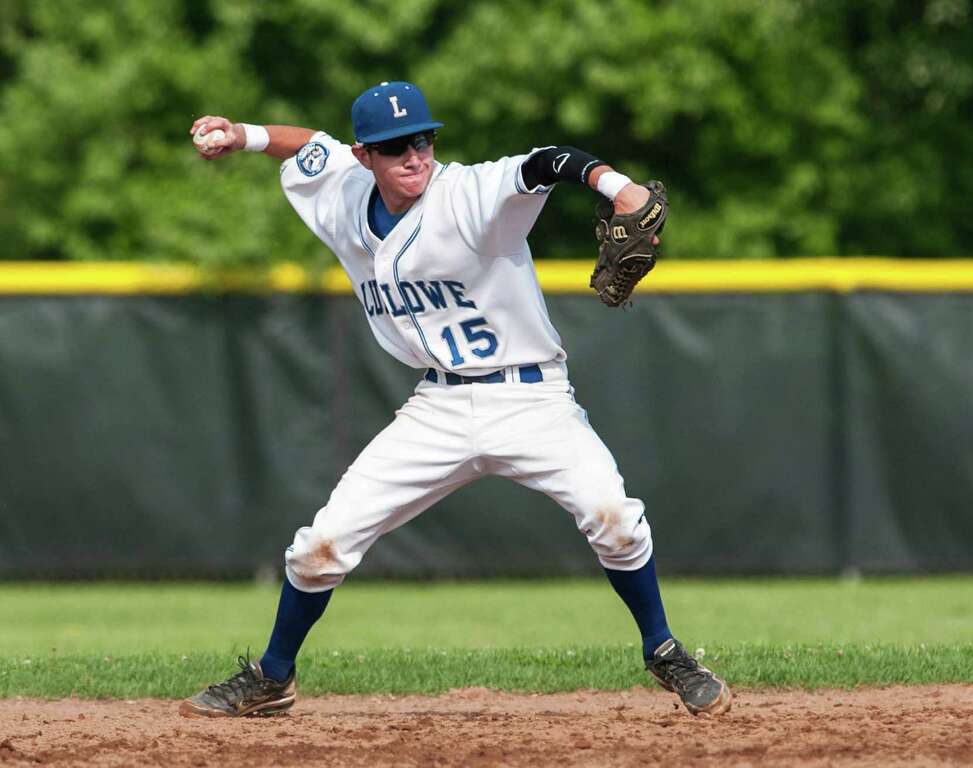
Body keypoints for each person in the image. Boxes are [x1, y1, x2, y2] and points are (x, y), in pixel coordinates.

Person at [180, 81, 731, 718]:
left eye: (423, 139)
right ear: (366, 157)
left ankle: (664, 651)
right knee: (318, 546)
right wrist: (241, 135)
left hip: (534, 401)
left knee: (615, 518)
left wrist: (616, 185)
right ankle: (273, 678)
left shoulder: (467, 193)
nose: (414, 155)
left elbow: (546, 161)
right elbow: (310, 146)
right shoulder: (342, 188)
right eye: (394, 147)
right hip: (438, 407)